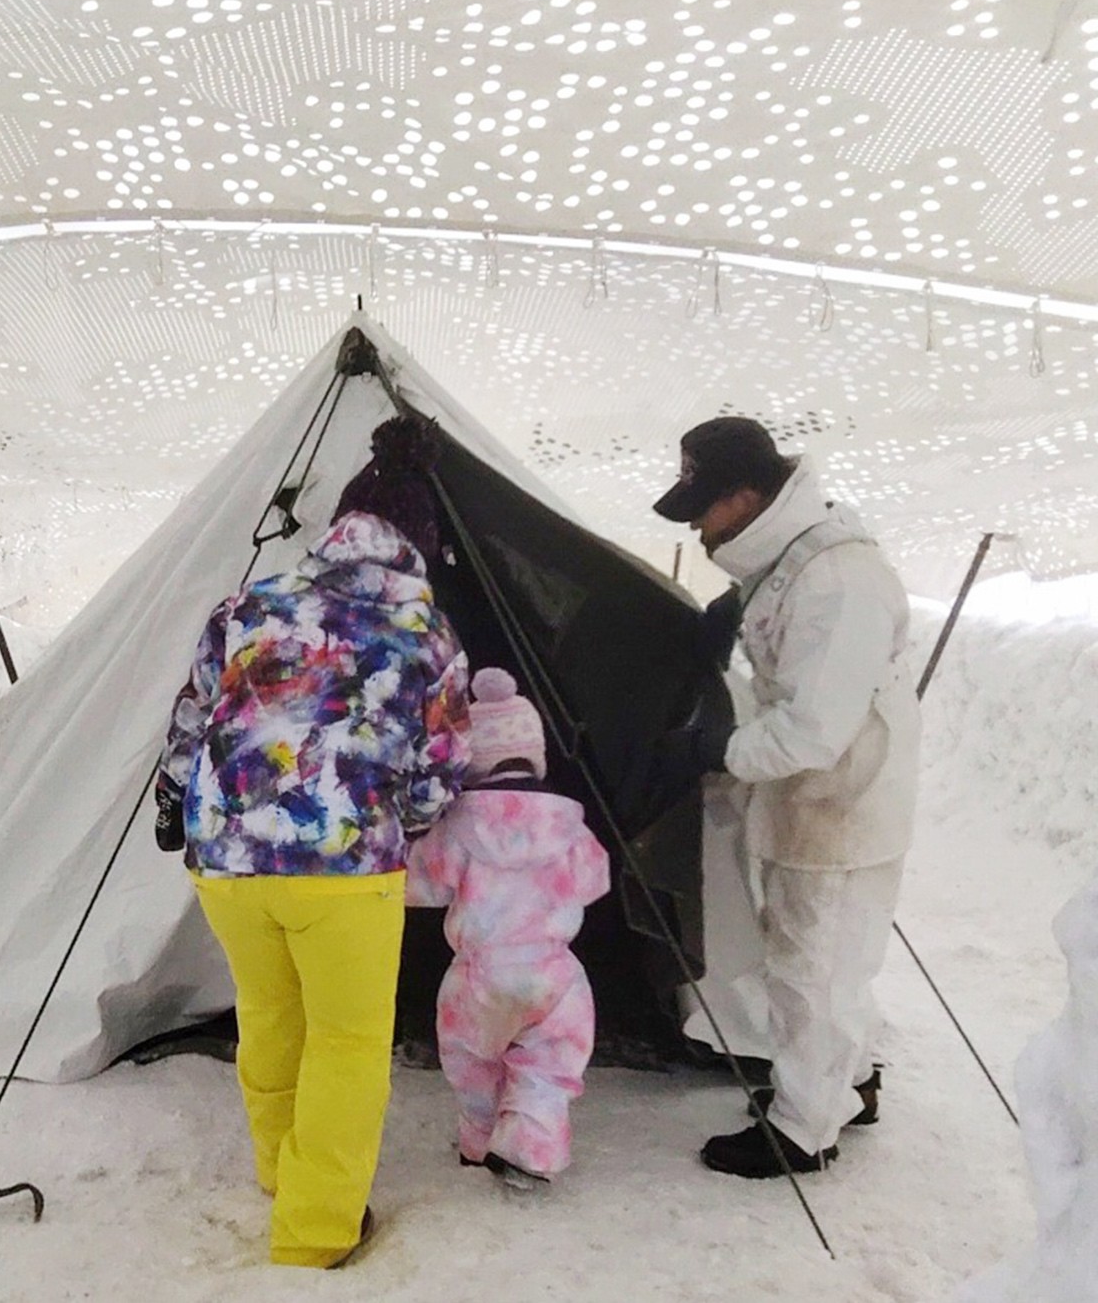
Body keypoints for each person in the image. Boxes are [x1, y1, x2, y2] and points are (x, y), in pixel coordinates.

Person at [155, 414, 471, 1268]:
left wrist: (179, 799)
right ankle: (317, 1229)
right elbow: (443, 769)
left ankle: (277, 1169)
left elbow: (193, 719)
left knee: (270, 1015)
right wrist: (392, 826)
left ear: (338, 528)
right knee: (347, 1042)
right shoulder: (425, 635)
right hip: (344, 869)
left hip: (223, 857)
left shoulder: (251, 604)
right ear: (420, 542)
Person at [646, 416, 919, 1179]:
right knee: (823, 958)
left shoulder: (837, 582)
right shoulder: (795, 560)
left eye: (704, 506)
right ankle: (845, 1082)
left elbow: (812, 733)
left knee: (815, 967)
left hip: (841, 799)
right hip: (819, 798)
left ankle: (805, 1130)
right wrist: (738, 608)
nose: (698, 524)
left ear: (745, 494)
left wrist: (715, 750)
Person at [406, 667, 609, 1190]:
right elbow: (594, 879)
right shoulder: (570, 825)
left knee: (473, 1064)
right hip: (553, 975)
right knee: (548, 1064)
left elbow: (422, 884)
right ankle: (529, 1146)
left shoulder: (458, 824)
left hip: (477, 977)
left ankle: (478, 1139)